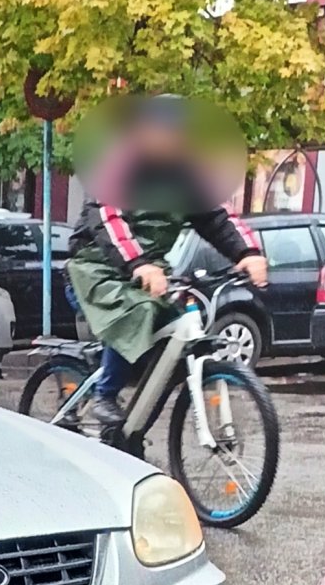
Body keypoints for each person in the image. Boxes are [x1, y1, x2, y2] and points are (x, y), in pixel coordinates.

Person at [67, 98, 268, 425]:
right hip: (93, 267)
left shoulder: (187, 173)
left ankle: (132, 427)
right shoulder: (119, 164)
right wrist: (139, 264)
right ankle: (104, 395)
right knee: (140, 311)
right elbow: (106, 215)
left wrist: (247, 253)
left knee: (174, 334)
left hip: (149, 271)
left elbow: (216, 216)